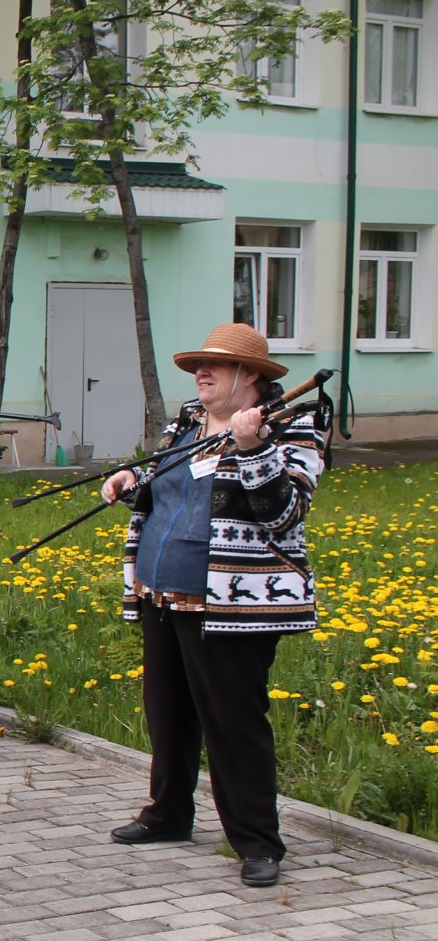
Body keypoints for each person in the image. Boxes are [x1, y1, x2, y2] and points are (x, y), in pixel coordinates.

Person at [100, 322, 324, 889]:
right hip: (162, 593)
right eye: (199, 364)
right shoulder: (188, 423)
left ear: (250, 376)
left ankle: (256, 841)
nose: (201, 373)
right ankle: (168, 815)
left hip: (233, 603)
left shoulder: (293, 428)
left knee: (234, 723)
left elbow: (283, 512)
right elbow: (163, 482)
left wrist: (252, 448)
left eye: (215, 366)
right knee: (168, 716)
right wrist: (132, 478)